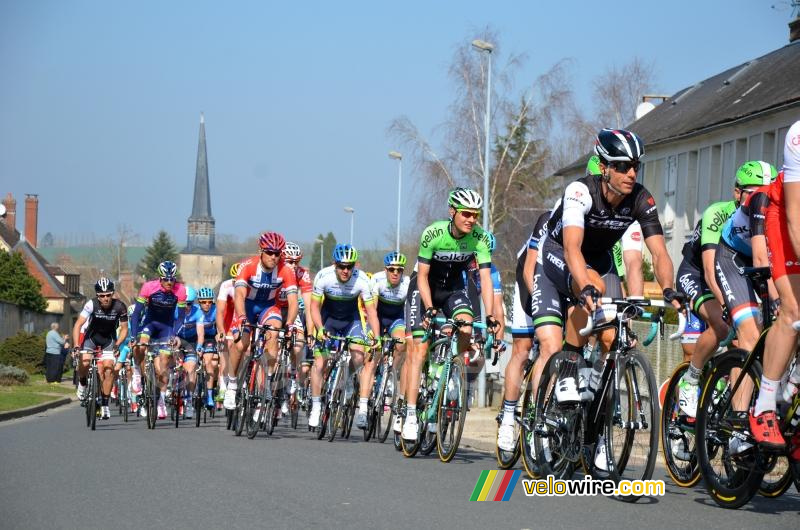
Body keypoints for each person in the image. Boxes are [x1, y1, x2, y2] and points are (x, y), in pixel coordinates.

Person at [531, 128, 681, 468]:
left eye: (635, 167)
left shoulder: (641, 199)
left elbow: (658, 253)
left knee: (612, 337)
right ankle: (566, 375)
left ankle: (596, 433)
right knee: (592, 290)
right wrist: (582, 285)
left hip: (596, 261)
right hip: (559, 254)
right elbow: (571, 247)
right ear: (604, 168)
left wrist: (669, 288)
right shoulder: (580, 191)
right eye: (623, 166)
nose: (632, 173)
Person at [402, 187, 498, 442]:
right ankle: (411, 413)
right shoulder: (433, 233)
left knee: (466, 328)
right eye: (466, 213)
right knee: (418, 350)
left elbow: (486, 281)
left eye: (475, 215)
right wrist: (430, 308)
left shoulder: (480, 238)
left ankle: (451, 371)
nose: (471, 219)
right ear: (452, 211)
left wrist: (490, 316)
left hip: (454, 289)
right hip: (425, 288)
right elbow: (421, 276)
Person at [753, 120, 800, 451]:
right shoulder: (798, 135)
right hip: (787, 215)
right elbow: (795, 219)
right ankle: (765, 404)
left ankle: (793, 390)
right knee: (794, 308)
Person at [308, 244, 381, 429]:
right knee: (320, 363)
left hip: (351, 320)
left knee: (358, 356)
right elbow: (314, 307)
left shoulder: (363, 279)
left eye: (350, 266)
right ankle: (316, 406)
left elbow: (371, 312)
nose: (346, 270)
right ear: (334, 264)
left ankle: (353, 390)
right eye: (342, 266)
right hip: (328, 320)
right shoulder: (324, 276)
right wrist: (319, 329)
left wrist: (377, 336)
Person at [229, 232, 298, 411]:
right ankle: (232, 384)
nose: (274, 257)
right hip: (247, 307)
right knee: (240, 345)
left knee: (274, 332)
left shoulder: (286, 270)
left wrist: (290, 323)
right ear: (261, 250)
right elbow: (239, 295)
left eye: (278, 253)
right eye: (270, 252)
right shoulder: (248, 266)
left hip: (268, 307)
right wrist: (242, 316)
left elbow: (292, 301)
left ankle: (266, 381)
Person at [129, 261, 188, 419]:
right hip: (150, 324)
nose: (169, 282)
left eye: (172, 279)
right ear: (160, 278)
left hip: (166, 328)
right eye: (166, 279)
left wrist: (175, 335)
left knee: (163, 365)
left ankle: (160, 400)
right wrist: (134, 336)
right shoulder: (149, 287)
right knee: (140, 347)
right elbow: (136, 314)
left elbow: (181, 318)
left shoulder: (180, 290)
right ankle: (137, 373)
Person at [72, 278, 128, 419]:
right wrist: (77, 345)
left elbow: (124, 329)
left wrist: (117, 344)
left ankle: (104, 404)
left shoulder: (120, 306)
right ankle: (83, 383)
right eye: (102, 296)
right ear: (97, 296)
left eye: (108, 295)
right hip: (91, 338)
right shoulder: (91, 304)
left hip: (109, 340)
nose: (105, 298)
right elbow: (78, 325)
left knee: (109, 369)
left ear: (112, 294)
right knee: (84, 361)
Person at [369, 251, 410, 433]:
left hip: (396, 319)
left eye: (399, 270)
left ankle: (391, 373)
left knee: (402, 343)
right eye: (392, 269)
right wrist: (374, 334)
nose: (395, 273)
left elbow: (410, 311)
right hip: (378, 317)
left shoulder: (407, 284)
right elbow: (373, 308)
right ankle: (372, 377)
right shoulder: (376, 280)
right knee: (374, 349)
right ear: (385, 270)